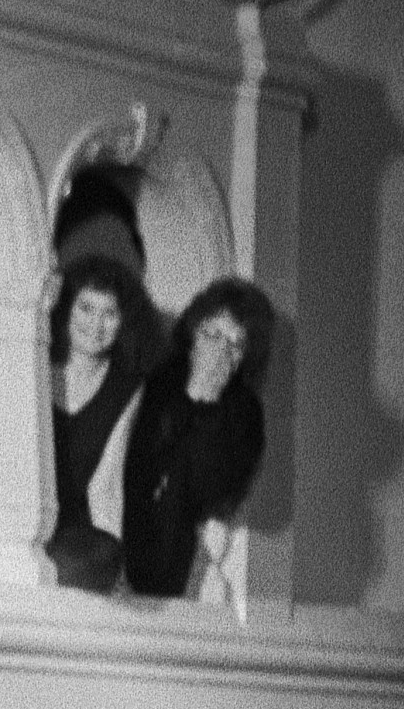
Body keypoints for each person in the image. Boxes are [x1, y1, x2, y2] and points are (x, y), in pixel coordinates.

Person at [122, 276, 274, 600]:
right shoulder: (157, 380)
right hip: (124, 511)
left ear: (242, 359)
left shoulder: (244, 412)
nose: (221, 350)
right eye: (214, 334)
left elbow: (211, 491)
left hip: (179, 536)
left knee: (177, 492)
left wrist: (206, 399)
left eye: (235, 344)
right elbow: (136, 457)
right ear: (193, 335)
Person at [47, 256, 146, 593]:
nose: (96, 324)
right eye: (86, 308)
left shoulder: (128, 389)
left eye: (110, 313)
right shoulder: (35, 372)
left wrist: (118, 566)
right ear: (66, 311)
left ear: (123, 322)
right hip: (26, 530)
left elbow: (106, 488)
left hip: (84, 545)